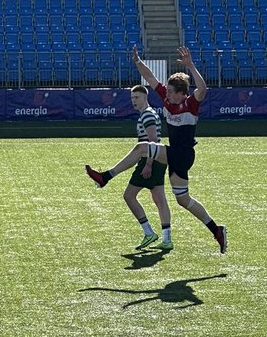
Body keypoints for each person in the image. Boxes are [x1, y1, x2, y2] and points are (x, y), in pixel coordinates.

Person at [85, 46, 227, 254]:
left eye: (170, 91)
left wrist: (190, 66)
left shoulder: (191, 104)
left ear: (181, 94)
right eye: (167, 91)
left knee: (142, 148)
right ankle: (217, 230)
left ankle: (105, 177)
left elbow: (203, 89)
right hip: (176, 154)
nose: (166, 94)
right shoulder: (168, 99)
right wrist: (137, 61)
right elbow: (150, 77)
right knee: (183, 200)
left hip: (183, 155)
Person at [124, 84, 173, 251]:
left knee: (129, 196)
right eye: (132, 98)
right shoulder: (149, 114)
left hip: (149, 159)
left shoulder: (147, 116)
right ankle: (167, 239)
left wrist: (148, 164)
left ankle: (148, 232)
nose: (133, 101)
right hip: (158, 159)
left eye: (136, 97)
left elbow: (153, 141)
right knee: (160, 198)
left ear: (145, 97)